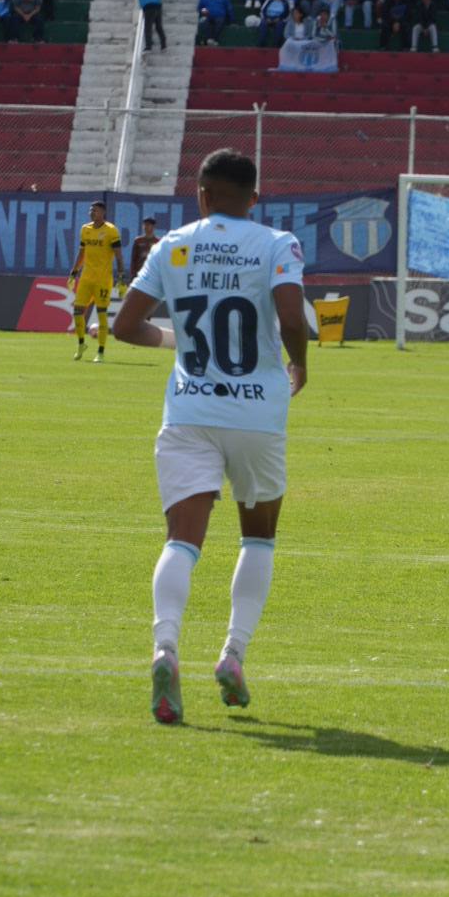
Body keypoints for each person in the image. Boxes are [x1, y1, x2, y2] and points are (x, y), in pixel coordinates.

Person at [112, 148, 308, 725]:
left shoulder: (172, 246)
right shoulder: (277, 244)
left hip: (189, 412)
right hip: (257, 416)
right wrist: (300, 364)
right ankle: (233, 654)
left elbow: (125, 325)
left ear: (200, 195)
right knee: (259, 538)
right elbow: (291, 318)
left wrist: (175, 341)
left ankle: (165, 648)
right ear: (255, 198)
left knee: (182, 542)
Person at [67, 199, 127, 363]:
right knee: (77, 312)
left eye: (95, 210)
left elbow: (119, 256)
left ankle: (100, 352)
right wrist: (73, 273)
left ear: (103, 213)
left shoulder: (111, 231)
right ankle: (81, 344)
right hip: (86, 278)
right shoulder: (85, 229)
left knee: (101, 314)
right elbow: (81, 253)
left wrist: (121, 277)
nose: (91, 213)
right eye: (90, 210)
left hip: (103, 279)